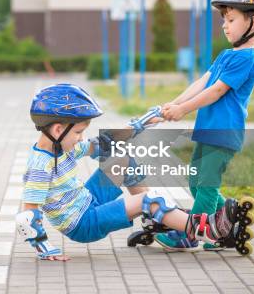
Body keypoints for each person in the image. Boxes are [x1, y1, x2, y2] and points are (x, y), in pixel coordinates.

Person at [16, 83, 237, 260]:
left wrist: (142, 122)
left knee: (122, 159)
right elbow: (28, 216)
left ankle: (156, 218)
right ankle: (203, 230)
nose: (81, 138)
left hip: (88, 200)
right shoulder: (40, 167)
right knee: (150, 200)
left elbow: (104, 142)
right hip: (84, 223)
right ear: (58, 130)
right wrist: (45, 249)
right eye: (79, 132)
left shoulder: (64, 146)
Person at [155, 0, 254, 251]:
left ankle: (191, 233)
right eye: (224, 19)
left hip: (223, 132)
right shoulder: (226, 55)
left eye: (231, 19)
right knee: (197, 183)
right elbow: (203, 82)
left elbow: (217, 92)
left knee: (207, 186)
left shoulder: (248, 58)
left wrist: (184, 110)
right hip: (209, 129)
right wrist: (172, 104)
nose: (225, 25)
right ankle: (228, 222)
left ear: (253, 23)